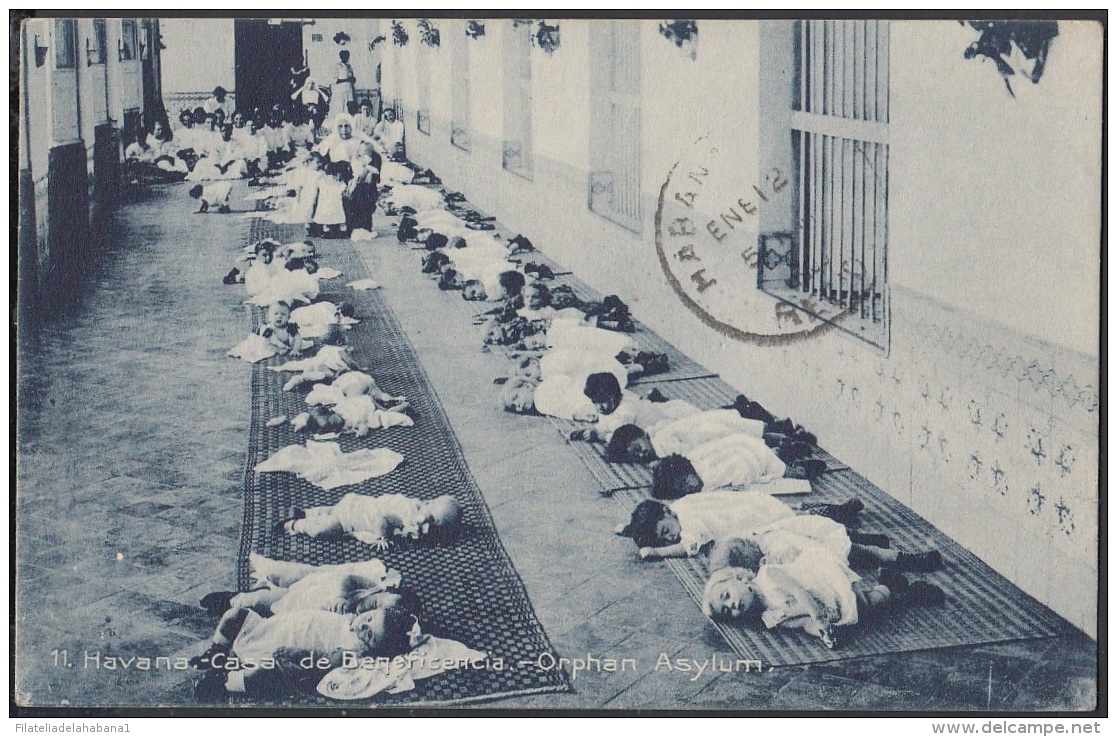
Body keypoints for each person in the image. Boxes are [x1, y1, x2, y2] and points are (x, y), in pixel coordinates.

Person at [701, 536, 945, 649]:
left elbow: (799, 592)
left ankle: (895, 589)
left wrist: (818, 616)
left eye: (726, 596)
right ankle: (893, 586)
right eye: (727, 611)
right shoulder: (770, 617)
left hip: (824, 585)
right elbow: (801, 623)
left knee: (866, 606)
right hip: (826, 611)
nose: (732, 605)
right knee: (862, 615)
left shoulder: (768, 576)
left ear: (739, 578)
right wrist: (821, 632)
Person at [617, 493, 943, 574]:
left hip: (765, 525)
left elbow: (688, 546)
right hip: (763, 508)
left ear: (666, 513)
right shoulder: (682, 505)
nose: (670, 539)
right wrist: (631, 529)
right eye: (664, 539)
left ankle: (898, 557)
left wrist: (656, 552)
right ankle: (865, 537)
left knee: (825, 544)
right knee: (818, 529)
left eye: (666, 532)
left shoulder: (690, 525)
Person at [278, 493, 462, 549]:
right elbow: (383, 518)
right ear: (428, 503)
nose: (428, 526)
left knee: (331, 510)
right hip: (352, 517)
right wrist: (383, 537)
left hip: (357, 503)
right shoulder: (407, 513)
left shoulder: (416, 507)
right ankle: (294, 524)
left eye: (436, 527)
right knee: (325, 529)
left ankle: (306, 513)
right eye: (431, 519)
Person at [334, 50, 357, 114]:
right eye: (345, 56)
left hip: (349, 89)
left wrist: (353, 79)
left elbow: (352, 78)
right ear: (341, 57)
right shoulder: (338, 66)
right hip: (341, 90)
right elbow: (335, 80)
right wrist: (347, 80)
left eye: (347, 56)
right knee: (342, 106)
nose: (347, 58)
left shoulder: (349, 66)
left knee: (350, 106)